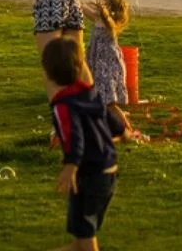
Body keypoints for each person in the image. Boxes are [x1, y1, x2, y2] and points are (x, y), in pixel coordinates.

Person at [43, 37, 124, 251]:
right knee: (81, 233)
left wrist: (71, 165)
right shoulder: (90, 93)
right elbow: (109, 119)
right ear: (80, 68)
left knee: (86, 233)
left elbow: (75, 136)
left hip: (89, 173)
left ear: (48, 73)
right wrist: (123, 132)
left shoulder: (62, 104)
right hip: (108, 170)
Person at [81, 0, 131, 135]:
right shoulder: (98, 18)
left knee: (109, 103)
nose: (98, 2)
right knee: (102, 99)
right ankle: (115, 121)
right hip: (100, 63)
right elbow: (83, 8)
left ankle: (127, 128)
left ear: (109, 7)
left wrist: (102, 10)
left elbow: (104, 16)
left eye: (103, 1)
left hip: (107, 65)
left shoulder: (108, 22)